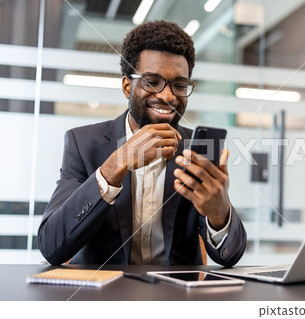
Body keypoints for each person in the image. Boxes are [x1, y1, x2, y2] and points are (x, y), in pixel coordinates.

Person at [38, 20, 246, 266]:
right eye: (151, 81)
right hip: (105, 295)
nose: (167, 96)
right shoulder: (82, 143)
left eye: (179, 85)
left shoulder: (195, 147)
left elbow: (230, 256)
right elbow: (52, 246)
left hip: (177, 296)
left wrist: (219, 212)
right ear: (128, 86)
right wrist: (115, 166)